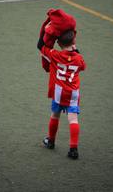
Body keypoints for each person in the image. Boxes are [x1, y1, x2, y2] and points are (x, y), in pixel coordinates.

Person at [37, 28, 86, 159]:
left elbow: (40, 46)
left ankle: (51, 141)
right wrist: (75, 51)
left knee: (55, 115)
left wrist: (46, 31)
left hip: (59, 93)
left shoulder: (54, 55)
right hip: (73, 94)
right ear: (74, 40)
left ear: (58, 43)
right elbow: (83, 66)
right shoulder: (79, 58)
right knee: (73, 119)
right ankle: (73, 148)